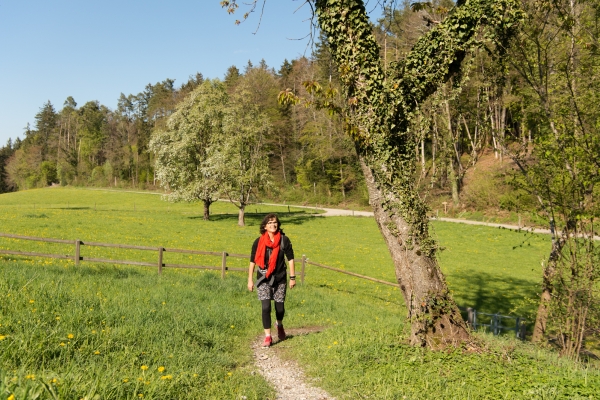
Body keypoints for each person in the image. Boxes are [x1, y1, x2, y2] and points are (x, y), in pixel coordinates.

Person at [248, 213, 296, 347]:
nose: (273, 225)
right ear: (264, 226)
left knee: (279, 308)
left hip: (280, 278)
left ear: (278, 224)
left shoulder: (284, 240)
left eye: (275, 222)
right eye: (269, 223)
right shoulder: (258, 242)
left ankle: (279, 324)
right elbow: (252, 261)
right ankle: (268, 336)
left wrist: (292, 277)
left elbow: (291, 259)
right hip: (263, 278)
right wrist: (250, 280)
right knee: (266, 307)